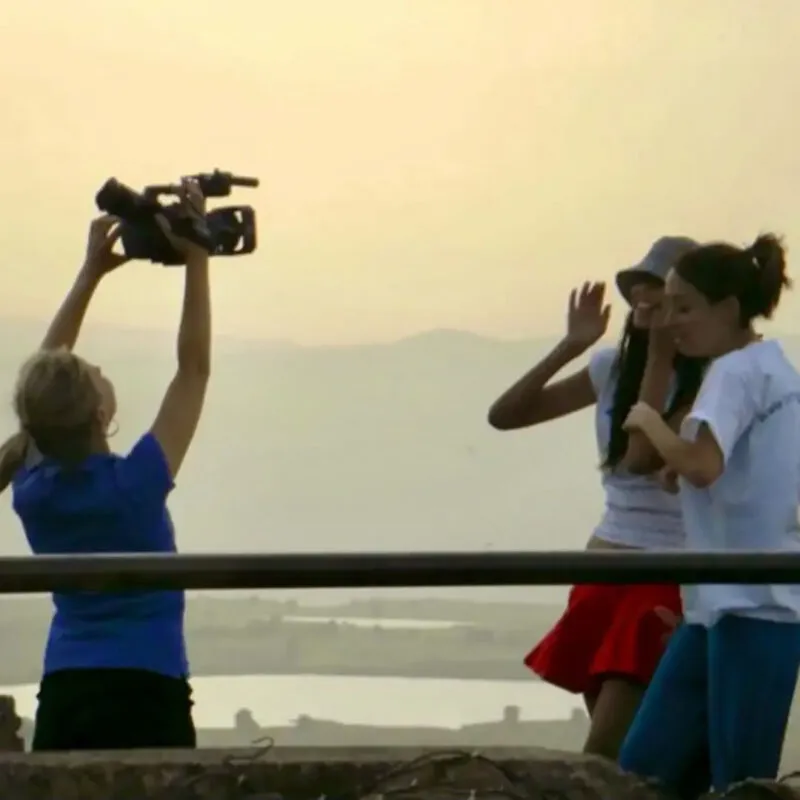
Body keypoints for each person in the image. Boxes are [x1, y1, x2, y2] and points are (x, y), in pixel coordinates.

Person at [0, 178, 211, 751]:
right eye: (95, 373)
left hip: (67, 689)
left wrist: (89, 275)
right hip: (151, 688)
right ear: (100, 412)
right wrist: (198, 254)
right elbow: (193, 370)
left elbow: (43, 383)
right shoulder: (137, 483)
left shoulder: (32, 489)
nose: (98, 369)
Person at [488, 236, 705, 759]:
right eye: (642, 294)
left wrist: (659, 357)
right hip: (605, 559)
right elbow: (506, 415)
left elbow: (640, 459)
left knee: (607, 749)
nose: (648, 306)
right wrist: (572, 345)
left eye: (663, 296)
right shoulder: (613, 368)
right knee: (622, 749)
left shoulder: (714, 381)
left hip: (672, 568)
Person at [619, 233, 800, 797]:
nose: (670, 322)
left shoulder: (733, 372)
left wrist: (649, 422)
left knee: (732, 780)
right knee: (646, 769)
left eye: (684, 308)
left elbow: (701, 465)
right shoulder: (773, 369)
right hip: (723, 606)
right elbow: (730, 467)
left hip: (754, 606)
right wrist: (682, 465)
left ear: (727, 309)